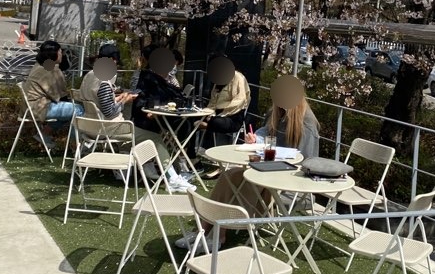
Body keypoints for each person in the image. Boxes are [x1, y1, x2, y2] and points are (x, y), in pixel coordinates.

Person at [177, 77, 318, 250]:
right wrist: (256, 139)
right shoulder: (276, 112)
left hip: (289, 183)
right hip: (268, 170)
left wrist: (272, 156)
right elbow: (265, 133)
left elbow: (305, 162)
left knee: (245, 182)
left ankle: (218, 234)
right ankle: (204, 228)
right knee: (229, 176)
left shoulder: (307, 123)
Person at [131, 46, 196, 193]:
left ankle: (176, 171)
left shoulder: (159, 79)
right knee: (156, 139)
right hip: (133, 126)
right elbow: (140, 101)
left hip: (150, 122)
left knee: (184, 125)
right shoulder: (147, 78)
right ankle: (173, 177)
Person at [24, 39, 84, 148]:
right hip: (40, 108)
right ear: (54, 54)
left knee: (68, 109)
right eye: (60, 52)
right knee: (78, 109)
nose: (62, 55)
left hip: (30, 107)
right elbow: (61, 96)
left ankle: (44, 133)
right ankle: (74, 145)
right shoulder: (52, 70)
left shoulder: (39, 65)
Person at [196, 55, 251, 154]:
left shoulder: (238, 77)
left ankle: (206, 125)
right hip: (215, 114)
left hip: (233, 116)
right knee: (191, 119)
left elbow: (240, 100)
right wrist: (206, 113)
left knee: (217, 122)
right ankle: (189, 153)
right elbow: (212, 103)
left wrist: (221, 113)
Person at [78, 43, 137, 121]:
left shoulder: (89, 74)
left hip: (88, 121)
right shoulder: (104, 82)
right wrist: (125, 100)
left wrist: (119, 98)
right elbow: (109, 113)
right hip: (106, 124)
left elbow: (98, 102)